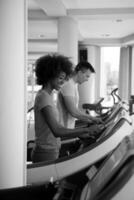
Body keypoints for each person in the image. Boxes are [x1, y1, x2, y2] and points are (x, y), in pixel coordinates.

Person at [31, 54, 96, 163]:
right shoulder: (44, 97)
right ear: (49, 75)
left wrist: (81, 132)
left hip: (52, 148)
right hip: (46, 151)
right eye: (60, 78)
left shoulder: (48, 95)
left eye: (64, 78)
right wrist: (86, 130)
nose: (63, 81)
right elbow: (57, 130)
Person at [57, 60, 102, 129]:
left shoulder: (73, 85)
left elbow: (75, 112)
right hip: (64, 128)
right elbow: (74, 112)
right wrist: (92, 118)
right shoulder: (68, 85)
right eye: (87, 76)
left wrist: (90, 120)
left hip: (69, 127)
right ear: (80, 73)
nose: (87, 79)